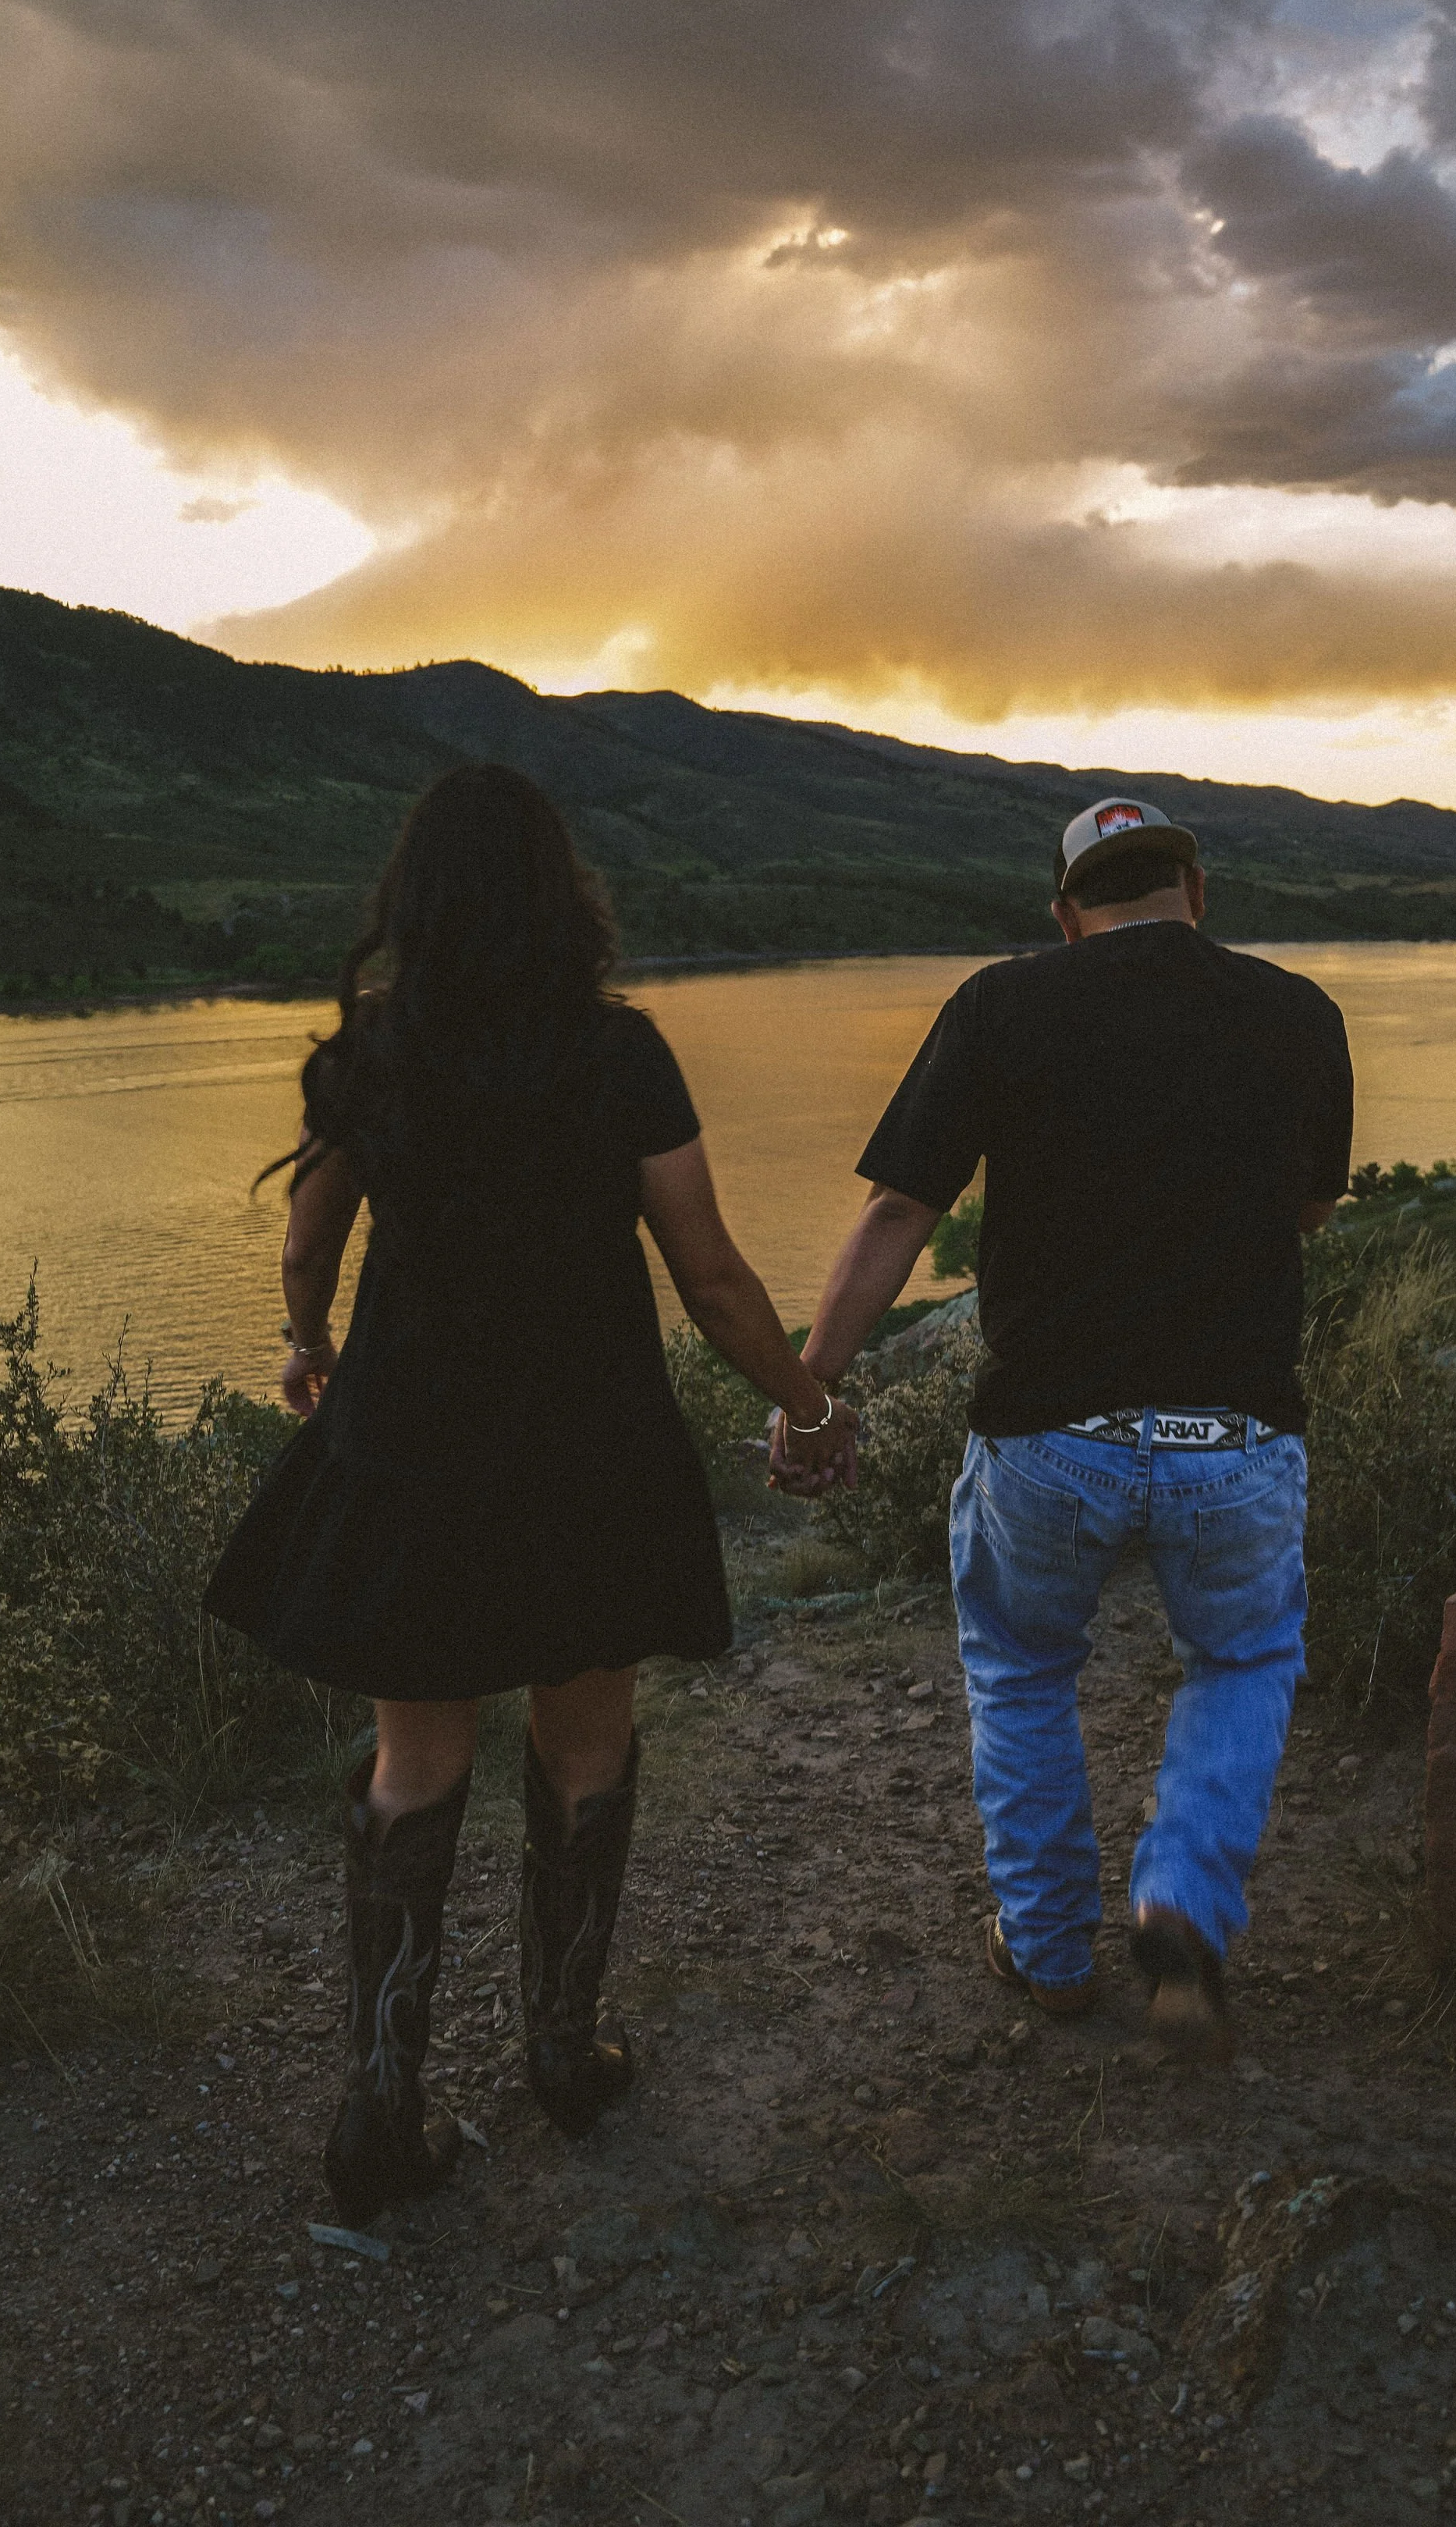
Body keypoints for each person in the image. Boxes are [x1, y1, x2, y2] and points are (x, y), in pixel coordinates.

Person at [207, 765, 856, 2226]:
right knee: (585, 1748)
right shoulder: (622, 1057)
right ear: (562, 893)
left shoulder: (372, 1058)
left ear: (413, 904)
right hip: (593, 1451)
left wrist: (311, 1352)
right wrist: (809, 1400)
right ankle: (564, 2052)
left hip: (409, 1446)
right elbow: (709, 1274)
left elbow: (309, 1248)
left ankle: (382, 2112)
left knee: (413, 1766)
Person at [772, 796, 1351, 2061]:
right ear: (1197, 894)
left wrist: (811, 1393)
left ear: (1067, 914)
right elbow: (1311, 1211)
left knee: (1025, 1671)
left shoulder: (1002, 1004)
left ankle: (1047, 1957)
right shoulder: (1301, 1014)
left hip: (1050, 1435)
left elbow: (895, 1219)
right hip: (1237, 1435)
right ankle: (1182, 1909)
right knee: (1243, 1661)